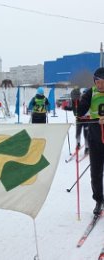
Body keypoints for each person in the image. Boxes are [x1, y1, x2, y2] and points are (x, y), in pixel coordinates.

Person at [76, 67, 104, 215]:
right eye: (98, 82)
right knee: (96, 172)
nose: (100, 85)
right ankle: (99, 200)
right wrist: (76, 103)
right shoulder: (90, 93)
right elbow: (80, 111)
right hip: (95, 136)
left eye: (103, 82)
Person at [63, 87, 89, 154]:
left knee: (86, 134)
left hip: (86, 119)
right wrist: (67, 108)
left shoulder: (83, 100)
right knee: (78, 133)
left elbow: (87, 108)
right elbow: (73, 108)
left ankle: (87, 147)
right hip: (78, 119)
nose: (74, 99)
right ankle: (78, 144)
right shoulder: (74, 101)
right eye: (73, 97)